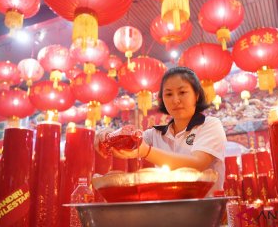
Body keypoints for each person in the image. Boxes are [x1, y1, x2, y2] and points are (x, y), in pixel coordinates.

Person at [94, 66, 227, 195]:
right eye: (168, 94)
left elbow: (197, 164)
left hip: (206, 211)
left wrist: (147, 151)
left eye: (182, 92)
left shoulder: (210, 125)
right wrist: (106, 134)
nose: (175, 100)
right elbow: (130, 144)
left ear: (196, 95)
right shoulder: (155, 134)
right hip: (168, 210)